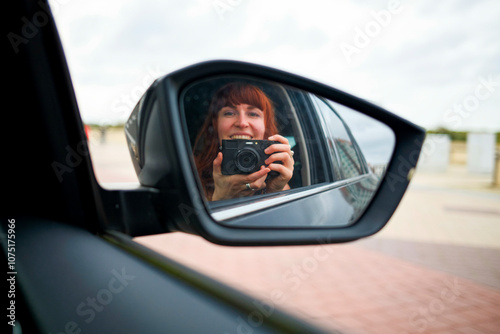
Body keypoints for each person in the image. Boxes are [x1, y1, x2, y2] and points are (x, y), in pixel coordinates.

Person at [193, 82, 294, 201]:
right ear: (215, 124)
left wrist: (272, 191)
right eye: (229, 113)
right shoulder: (191, 172)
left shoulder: (273, 175)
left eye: (253, 114)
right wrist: (221, 197)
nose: (242, 123)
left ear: (265, 125)